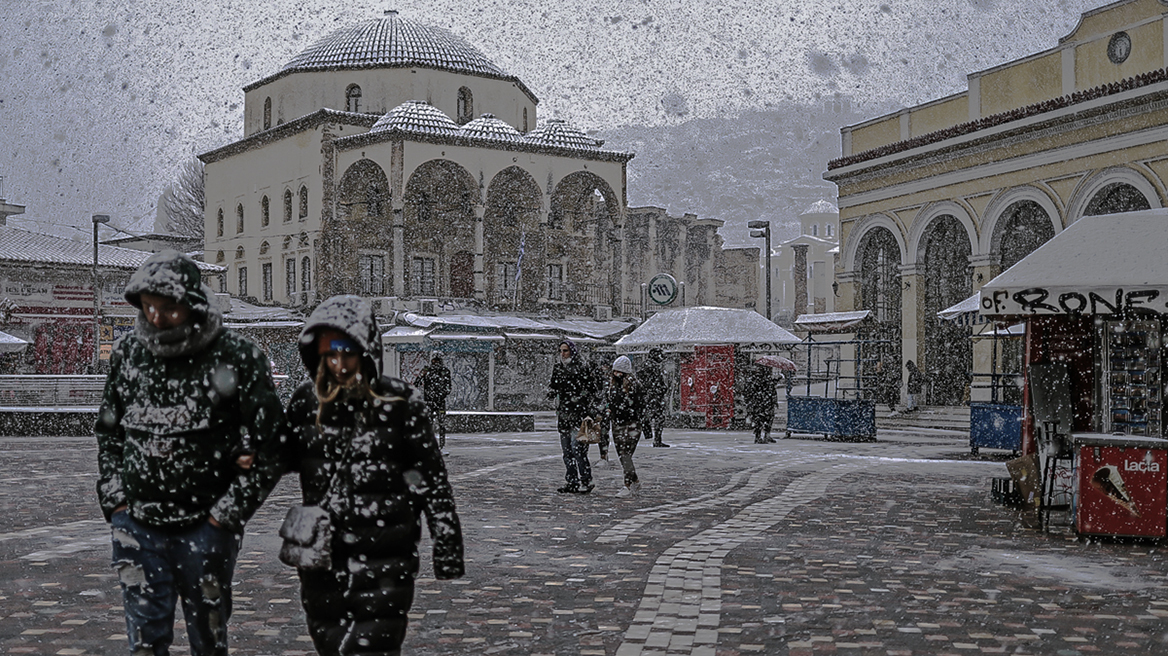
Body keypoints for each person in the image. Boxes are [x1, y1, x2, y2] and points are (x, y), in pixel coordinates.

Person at [95, 250, 285, 656]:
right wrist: (116, 502)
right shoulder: (128, 354)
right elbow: (110, 433)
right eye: (148, 307)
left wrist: (226, 515)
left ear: (193, 305)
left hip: (207, 526)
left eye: (169, 309)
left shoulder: (236, 356)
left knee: (208, 638)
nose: (157, 318)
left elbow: (272, 445)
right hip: (137, 524)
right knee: (145, 643)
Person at [281, 295, 464, 655]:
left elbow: (431, 480)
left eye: (348, 354)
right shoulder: (306, 402)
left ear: (366, 351)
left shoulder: (401, 404)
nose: (339, 365)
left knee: (373, 646)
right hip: (322, 558)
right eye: (330, 355)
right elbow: (277, 458)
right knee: (330, 644)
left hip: (386, 556)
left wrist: (447, 545)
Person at [547, 339, 598, 494]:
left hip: (579, 414)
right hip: (564, 414)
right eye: (561, 351)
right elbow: (554, 385)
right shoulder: (558, 368)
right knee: (567, 451)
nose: (562, 354)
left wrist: (581, 401)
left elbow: (592, 390)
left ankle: (586, 480)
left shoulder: (582, 368)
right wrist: (552, 392)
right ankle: (572, 480)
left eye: (565, 351)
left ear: (572, 352)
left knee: (578, 450)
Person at [605, 355, 646, 497]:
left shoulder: (634, 386)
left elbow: (639, 406)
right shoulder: (613, 386)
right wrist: (609, 409)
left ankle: (627, 484)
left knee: (625, 454)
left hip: (631, 423)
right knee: (622, 455)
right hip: (618, 422)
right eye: (615, 371)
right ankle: (635, 481)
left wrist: (618, 409)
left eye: (619, 371)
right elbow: (610, 401)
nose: (616, 374)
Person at [415, 353, 452, 449]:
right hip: (431, 401)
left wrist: (440, 395)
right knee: (432, 423)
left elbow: (448, 387)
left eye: (436, 361)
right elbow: (416, 383)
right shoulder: (429, 371)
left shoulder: (443, 371)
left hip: (436, 401)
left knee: (439, 424)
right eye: (434, 361)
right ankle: (432, 443)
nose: (435, 363)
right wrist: (422, 375)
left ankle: (439, 444)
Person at [638, 347, 670, 447]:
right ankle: (656, 439)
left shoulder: (644, 365)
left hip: (648, 396)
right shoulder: (653, 366)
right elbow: (657, 382)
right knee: (658, 418)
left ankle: (649, 435)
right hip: (654, 396)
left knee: (648, 416)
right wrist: (662, 389)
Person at [744, 362, 778, 444]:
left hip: (762, 401)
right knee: (762, 419)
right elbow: (767, 389)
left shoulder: (758, 378)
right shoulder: (761, 379)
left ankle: (763, 435)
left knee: (765, 418)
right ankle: (760, 436)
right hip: (762, 401)